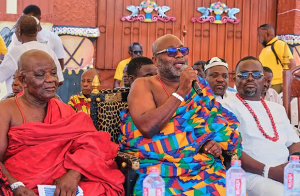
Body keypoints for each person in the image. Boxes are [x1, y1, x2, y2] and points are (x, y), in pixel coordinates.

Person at [119, 34, 242, 195]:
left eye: (183, 51)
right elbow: (147, 127)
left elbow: (215, 122)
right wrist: (182, 91)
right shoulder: (144, 84)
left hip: (199, 164)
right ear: (155, 60)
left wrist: (211, 142)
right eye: (170, 52)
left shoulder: (200, 85)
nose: (179, 55)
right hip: (159, 168)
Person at [0, 49, 124, 196]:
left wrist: (74, 174)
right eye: (40, 75)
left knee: (106, 186)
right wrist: (16, 186)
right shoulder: (6, 109)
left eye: (53, 73)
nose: (51, 79)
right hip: (20, 185)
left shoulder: (64, 110)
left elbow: (93, 145)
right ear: (22, 80)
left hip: (63, 184)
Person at [221, 56, 300, 196]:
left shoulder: (277, 108)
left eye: (257, 74)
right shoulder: (226, 106)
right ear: (235, 80)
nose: (250, 78)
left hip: (285, 171)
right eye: (244, 74)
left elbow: (293, 142)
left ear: (264, 80)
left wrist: (293, 165)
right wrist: (269, 171)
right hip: (252, 175)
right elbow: (231, 149)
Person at [0, 15, 64, 95]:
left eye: (15, 28)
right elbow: (60, 80)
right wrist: (41, 92)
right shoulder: (48, 50)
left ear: (19, 31)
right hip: (43, 103)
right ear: (37, 31)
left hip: (19, 102)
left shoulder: (15, 52)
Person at [10, 5, 65, 70]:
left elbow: (60, 65)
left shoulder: (53, 38)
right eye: (24, 18)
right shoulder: (17, 36)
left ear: (39, 18)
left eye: (30, 18)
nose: (26, 21)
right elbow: (13, 60)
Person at [258, 24, 296, 94]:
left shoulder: (279, 44)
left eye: (259, 35)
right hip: (267, 84)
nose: (258, 38)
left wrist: (288, 84)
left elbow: (292, 64)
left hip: (278, 85)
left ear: (266, 33)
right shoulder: (265, 49)